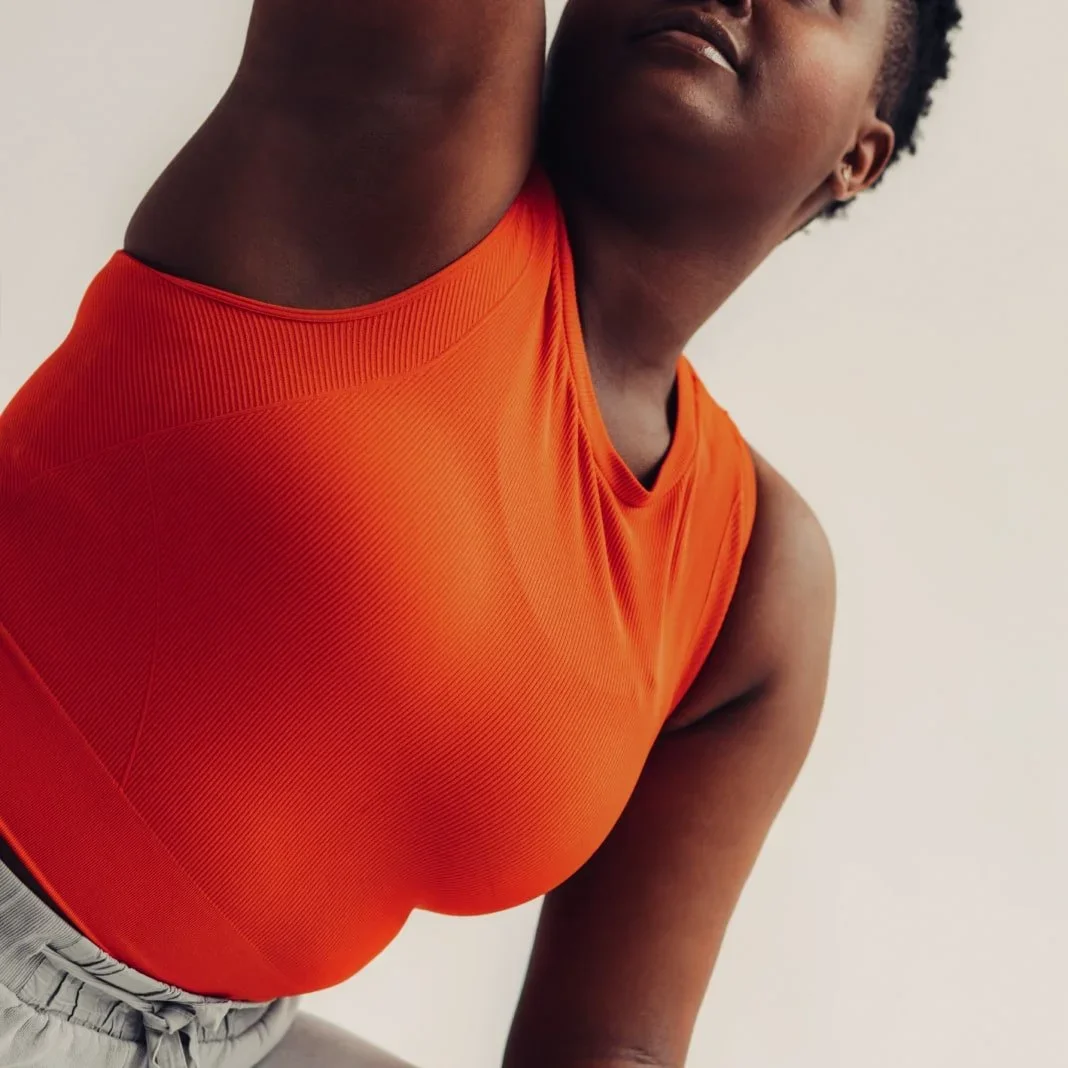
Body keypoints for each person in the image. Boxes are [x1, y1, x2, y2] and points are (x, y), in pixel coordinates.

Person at [0, 1, 962, 1065]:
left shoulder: (751, 587)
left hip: (209, 1042)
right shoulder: (407, 129)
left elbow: (612, 1049)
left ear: (859, 154)